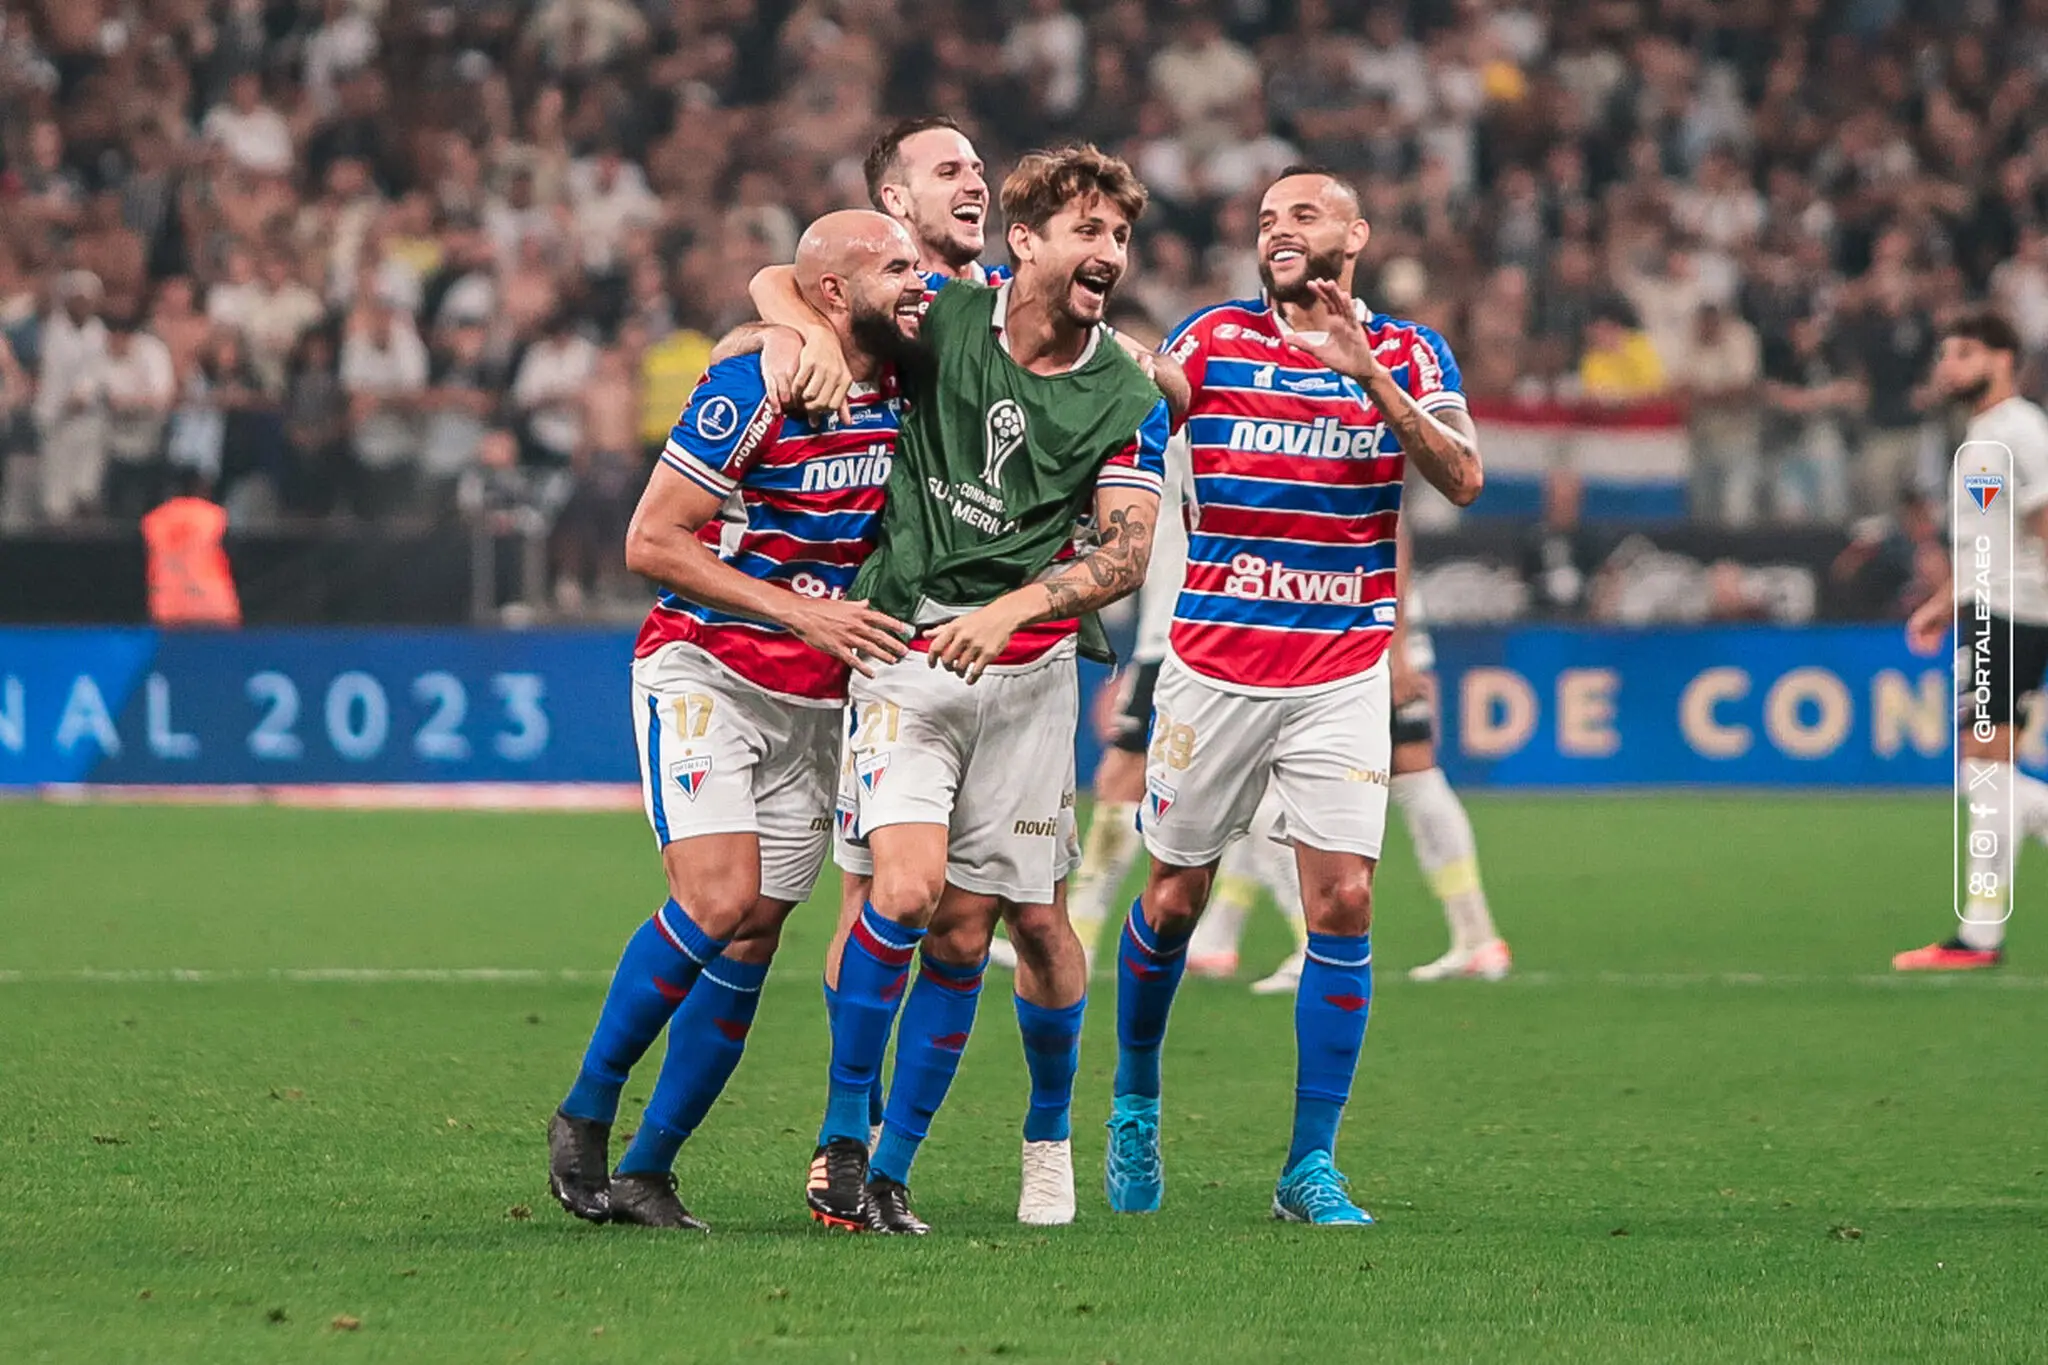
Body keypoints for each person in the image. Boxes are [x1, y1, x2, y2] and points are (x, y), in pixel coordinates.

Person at [755, 119, 1185, 1229]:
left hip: (1030, 674)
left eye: (1121, 237)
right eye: (1086, 231)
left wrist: (1013, 609)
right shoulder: (940, 315)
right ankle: (843, 1143)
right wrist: (784, 322)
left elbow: (1127, 552)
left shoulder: (1125, 393)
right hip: (903, 651)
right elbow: (802, 276)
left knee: (977, 927)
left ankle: (983, 1149)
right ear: (1024, 242)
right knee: (898, 897)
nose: (1109, 252)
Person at [1109, 167, 1483, 1226]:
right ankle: (1134, 1100)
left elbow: (1460, 477)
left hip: (1339, 669)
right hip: (1214, 665)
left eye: (1302, 213)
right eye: (1267, 218)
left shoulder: (1407, 352)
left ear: (1355, 234)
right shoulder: (1212, 337)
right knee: (1172, 902)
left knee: (1346, 901)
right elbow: (1146, 400)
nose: (1278, 230)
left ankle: (1307, 1166)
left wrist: (1368, 374)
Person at [545, 209, 923, 1230]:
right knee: (717, 899)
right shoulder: (754, 382)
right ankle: (584, 1107)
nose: (919, 285)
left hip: (816, 702)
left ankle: (647, 1171)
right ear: (835, 292)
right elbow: (651, 540)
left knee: (754, 935)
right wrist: (802, 609)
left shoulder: (910, 377)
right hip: (704, 666)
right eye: (898, 269)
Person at [1896, 311, 2048, 971]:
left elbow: (2044, 520)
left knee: (1985, 772)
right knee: (1990, 773)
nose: (1947, 366)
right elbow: (1992, 537)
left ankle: (1979, 936)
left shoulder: (2019, 429)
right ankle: (1979, 933)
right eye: (1945, 354)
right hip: (1990, 607)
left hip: (2012, 612)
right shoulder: (1985, 433)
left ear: (2002, 357)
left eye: (1962, 353)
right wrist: (1943, 603)